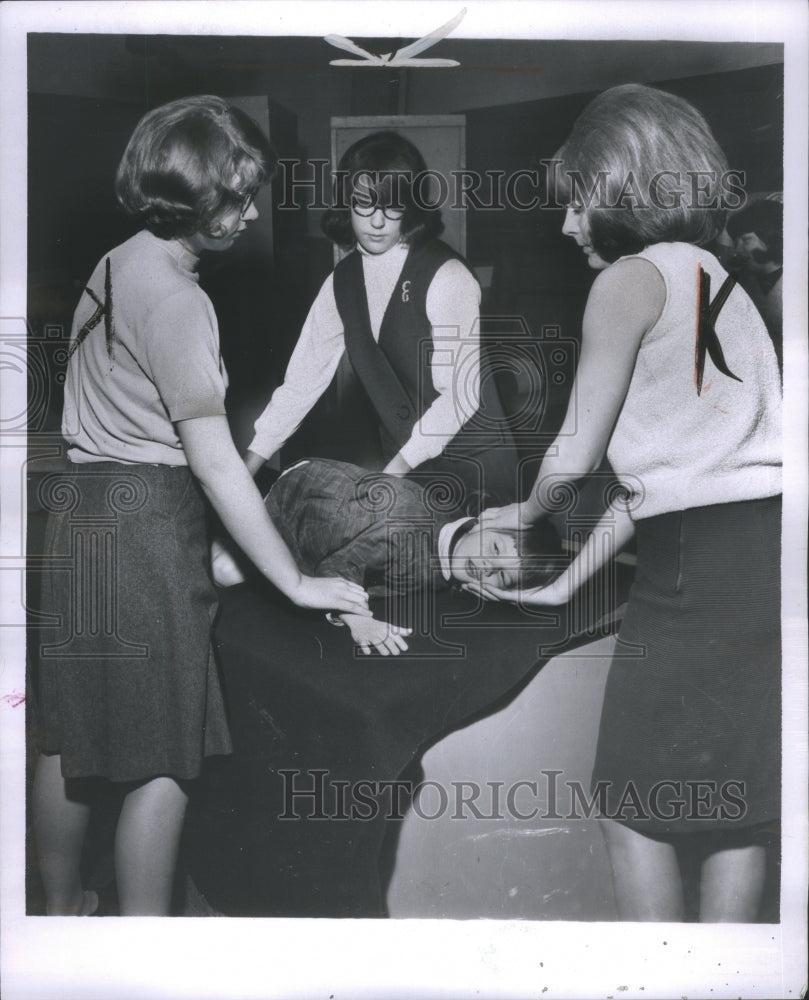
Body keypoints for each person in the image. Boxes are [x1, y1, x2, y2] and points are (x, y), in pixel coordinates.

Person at [31, 96, 370, 917]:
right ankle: (147, 950)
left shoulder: (117, 260)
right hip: (147, 520)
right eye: (236, 195)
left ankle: (60, 907)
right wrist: (295, 582)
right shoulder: (182, 302)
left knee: (69, 735)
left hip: (78, 513)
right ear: (189, 196)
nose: (251, 212)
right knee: (167, 755)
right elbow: (216, 465)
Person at [470, 84, 782, 922]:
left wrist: (523, 513)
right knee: (732, 812)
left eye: (577, 204)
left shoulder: (627, 281)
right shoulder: (720, 278)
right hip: (758, 570)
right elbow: (669, 479)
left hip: (688, 582)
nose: (568, 227)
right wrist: (567, 583)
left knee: (628, 805)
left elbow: (576, 448)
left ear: (619, 190)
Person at [243, 130, 519, 510]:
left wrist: (394, 472)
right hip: (410, 472)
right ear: (346, 202)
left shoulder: (447, 276)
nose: (377, 221)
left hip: (477, 471)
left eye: (393, 206)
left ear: (412, 206)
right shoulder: (341, 282)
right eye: (364, 204)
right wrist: (247, 470)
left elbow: (461, 395)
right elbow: (300, 386)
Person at [212, 457, 565, 655]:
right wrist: (358, 618)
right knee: (227, 572)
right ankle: (235, 531)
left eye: (499, 576)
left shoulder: (453, 554)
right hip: (301, 496)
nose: (487, 567)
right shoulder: (403, 533)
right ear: (482, 522)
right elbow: (339, 566)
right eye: (495, 549)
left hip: (356, 508)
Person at [725, 197, 783, 370]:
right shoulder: (744, 284)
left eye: (745, 240)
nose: (738, 250)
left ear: (768, 237)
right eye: (736, 242)